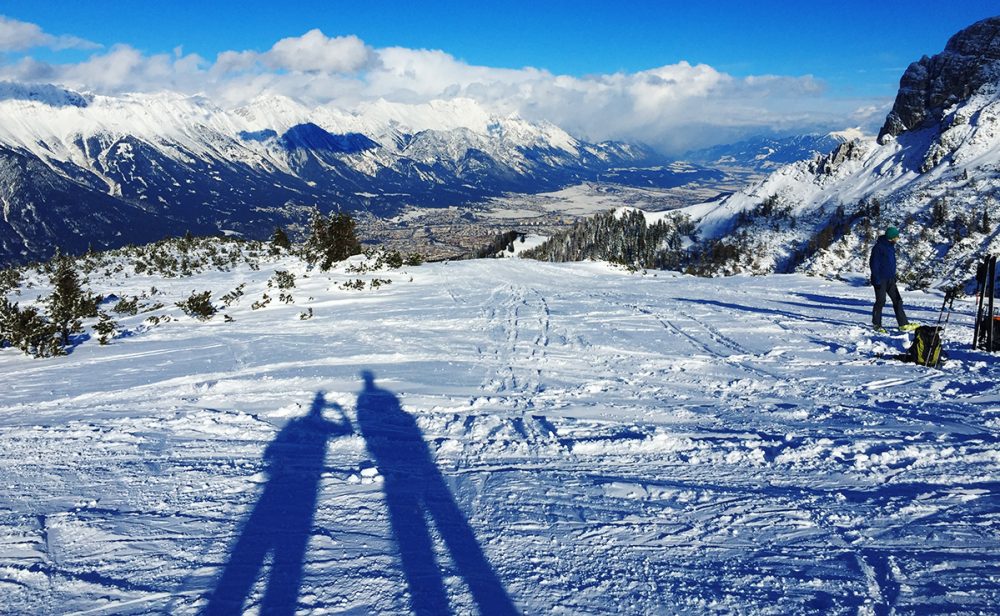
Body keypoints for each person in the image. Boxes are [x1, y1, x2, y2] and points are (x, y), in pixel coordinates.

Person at [869, 225, 916, 333]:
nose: (898, 238)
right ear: (891, 237)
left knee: (898, 300)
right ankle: (876, 325)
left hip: (890, 279)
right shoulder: (878, 247)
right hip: (880, 279)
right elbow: (874, 264)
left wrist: (893, 276)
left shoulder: (891, 246)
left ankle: (903, 324)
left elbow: (890, 263)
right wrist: (876, 279)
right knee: (881, 301)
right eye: (896, 237)